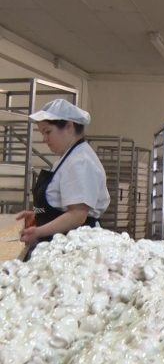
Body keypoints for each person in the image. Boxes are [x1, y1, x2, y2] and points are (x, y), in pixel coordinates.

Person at [17, 99, 110, 257]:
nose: (44, 139)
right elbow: (61, 205)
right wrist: (38, 215)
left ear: (69, 126)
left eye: (48, 132)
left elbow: (77, 215)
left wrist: (38, 231)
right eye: (42, 133)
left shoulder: (80, 161)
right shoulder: (67, 158)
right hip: (61, 246)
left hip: (74, 249)